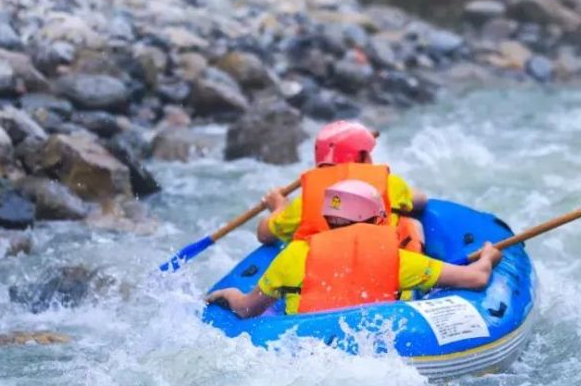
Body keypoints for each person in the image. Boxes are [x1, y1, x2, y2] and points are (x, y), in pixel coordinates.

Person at [207, 180, 501, 318]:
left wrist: (225, 294)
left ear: (329, 220)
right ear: (379, 219)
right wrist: (488, 256)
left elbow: (247, 309)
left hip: (302, 352)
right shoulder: (397, 260)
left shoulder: (295, 255)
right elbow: (475, 279)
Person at [256, 121, 429, 253]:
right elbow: (421, 200)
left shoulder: (305, 202)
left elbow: (264, 234)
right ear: (363, 157)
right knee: (410, 223)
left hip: (327, 279)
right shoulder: (389, 184)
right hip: (384, 272)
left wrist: (279, 206)